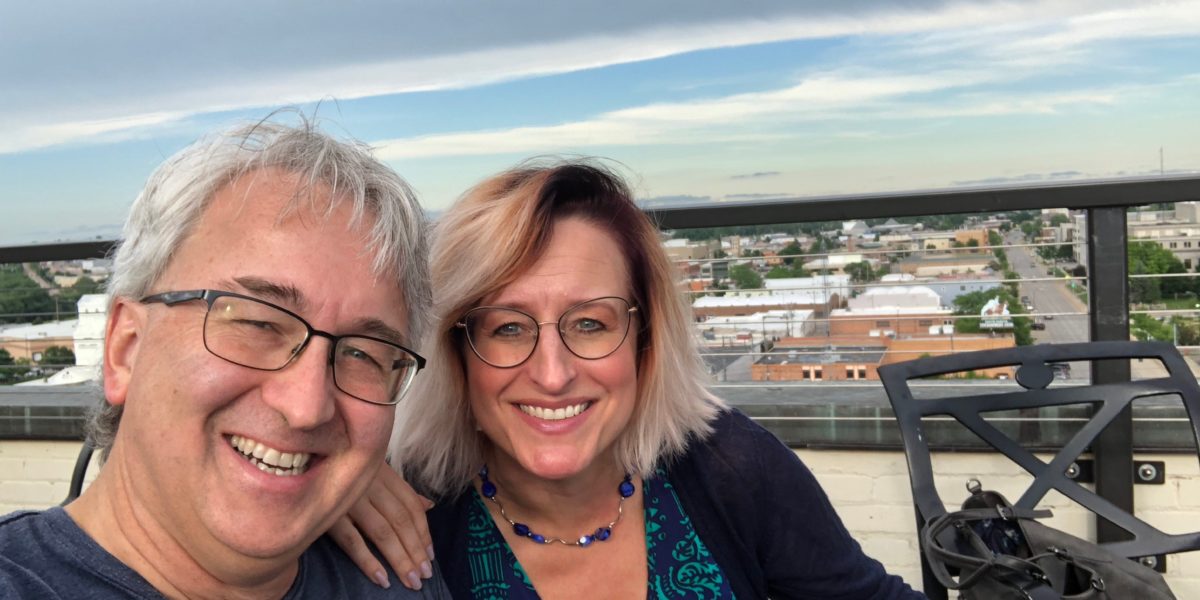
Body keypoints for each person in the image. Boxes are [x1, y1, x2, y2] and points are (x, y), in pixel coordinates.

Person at [341, 161, 925, 598]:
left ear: (646, 339)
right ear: (455, 350)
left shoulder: (732, 468)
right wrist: (331, 489)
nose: (552, 374)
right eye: (508, 328)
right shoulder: (403, 513)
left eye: (591, 324)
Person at [0, 118, 450, 599]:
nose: (306, 408)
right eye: (257, 323)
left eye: (363, 354)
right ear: (125, 348)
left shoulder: (403, 568)